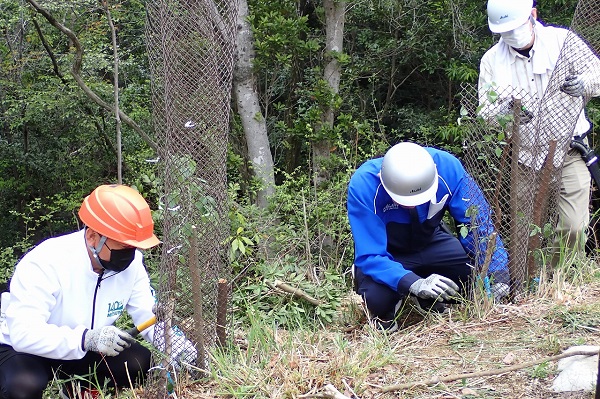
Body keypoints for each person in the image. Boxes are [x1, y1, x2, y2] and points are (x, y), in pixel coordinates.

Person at [0, 184, 191, 399]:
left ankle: (77, 389)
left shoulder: (133, 264)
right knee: (22, 386)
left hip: (85, 347)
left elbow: (149, 315)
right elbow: (24, 334)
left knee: (140, 364)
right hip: (25, 350)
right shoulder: (45, 262)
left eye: (134, 247)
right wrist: (86, 339)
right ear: (93, 236)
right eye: (123, 246)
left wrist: (186, 353)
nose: (130, 254)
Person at [478, 0, 600, 263]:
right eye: (505, 31)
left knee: (573, 227)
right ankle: (527, 288)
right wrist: (505, 114)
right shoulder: (492, 61)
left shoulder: (562, 41)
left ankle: (558, 280)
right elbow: (485, 112)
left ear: (533, 15)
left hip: (570, 150)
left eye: (516, 27)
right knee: (523, 234)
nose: (512, 35)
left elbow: (597, 72)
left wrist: (585, 84)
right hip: (525, 158)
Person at [347, 142, 509, 331]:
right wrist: (413, 283)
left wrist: (498, 273)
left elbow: (478, 226)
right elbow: (370, 253)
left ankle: (429, 300)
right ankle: (393, 296)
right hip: (389, 254)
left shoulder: (448, 169)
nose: (412, 206)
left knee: (470, 280)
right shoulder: (364, 184)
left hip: (432, 242)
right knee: (378, 299)